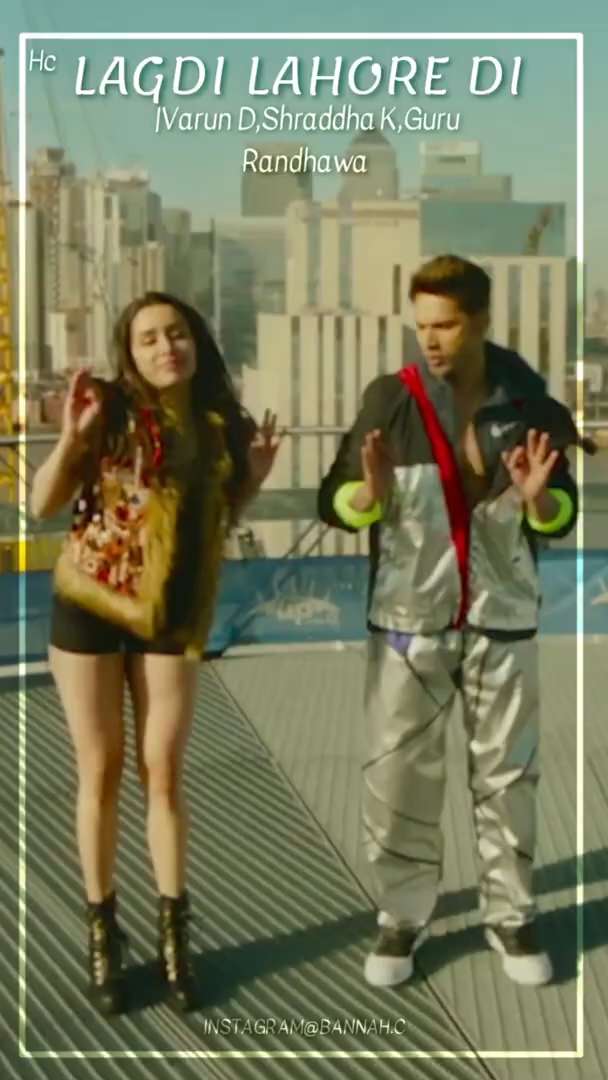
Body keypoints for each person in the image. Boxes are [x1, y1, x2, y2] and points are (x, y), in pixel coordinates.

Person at [318, 255, 580, 989]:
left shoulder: (529, 405)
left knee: (509, 776)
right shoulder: (390, 400)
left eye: (447, 324)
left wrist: (540, 501)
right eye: (422, 324)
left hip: (504, 619)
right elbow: (334, 500)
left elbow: (562, 511)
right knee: (398, 776)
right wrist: (367, 496)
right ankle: (401, 919)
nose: (430, 339)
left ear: (482, 321)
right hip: (408, 622)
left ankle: (511, 917)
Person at [31, 292, 282, 1015]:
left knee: (164, 771)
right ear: (131, 354)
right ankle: (104, 935)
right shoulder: (109, 410)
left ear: (196, 341)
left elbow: (213, 523)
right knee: (101, 769)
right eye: (148, 339)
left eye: (176, 333)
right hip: (91, 604)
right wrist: (73, 439)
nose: (166, 347)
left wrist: (251, 480)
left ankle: (176, 938)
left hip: (171, 613)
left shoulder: (222, 427)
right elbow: (42, 503)